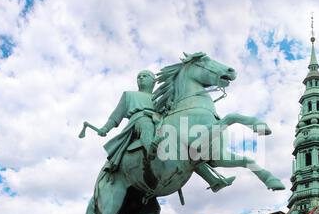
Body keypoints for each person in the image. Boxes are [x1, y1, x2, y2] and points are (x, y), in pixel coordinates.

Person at [97, 70, 235, 192]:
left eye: (145, 76)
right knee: (146, 125)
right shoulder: (129, 95)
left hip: (159, 121)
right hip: (140, 119)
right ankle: (151, 147)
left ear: (153, 81)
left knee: (185, 148)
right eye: (139, 76)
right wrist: (105, 128)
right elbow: (115, 116)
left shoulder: (157, 99)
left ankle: (213, 180)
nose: (141, 78)